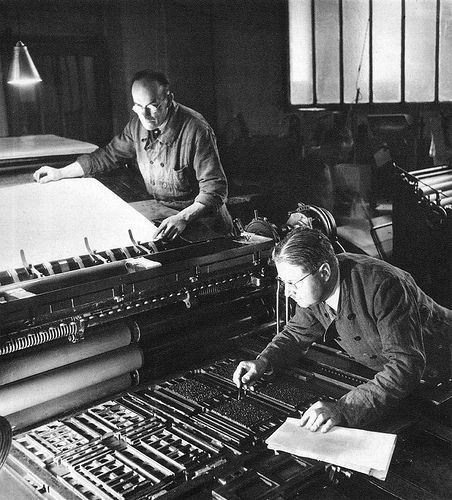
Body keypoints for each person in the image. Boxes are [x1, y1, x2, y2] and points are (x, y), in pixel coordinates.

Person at [233, 227, 452, 432]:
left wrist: (343, 409)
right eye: (284, 282)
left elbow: (405, 366)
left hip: (442, 365)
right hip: (407, 374)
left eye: (294, 283)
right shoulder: (316, 292)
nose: (288, 292)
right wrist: (263, 361)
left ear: (324, 272)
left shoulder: (383, 285)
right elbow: (295, 335)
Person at [33, 70, 233, 242]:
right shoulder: (137, 126)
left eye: (152, 106)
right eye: (138, 106)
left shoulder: (196, 129)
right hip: (163, 216)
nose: (144, 115)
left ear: (169, 99)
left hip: (203, 226)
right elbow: (107, 156)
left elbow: (215, 189)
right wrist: (60, 173)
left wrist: (183, 218)